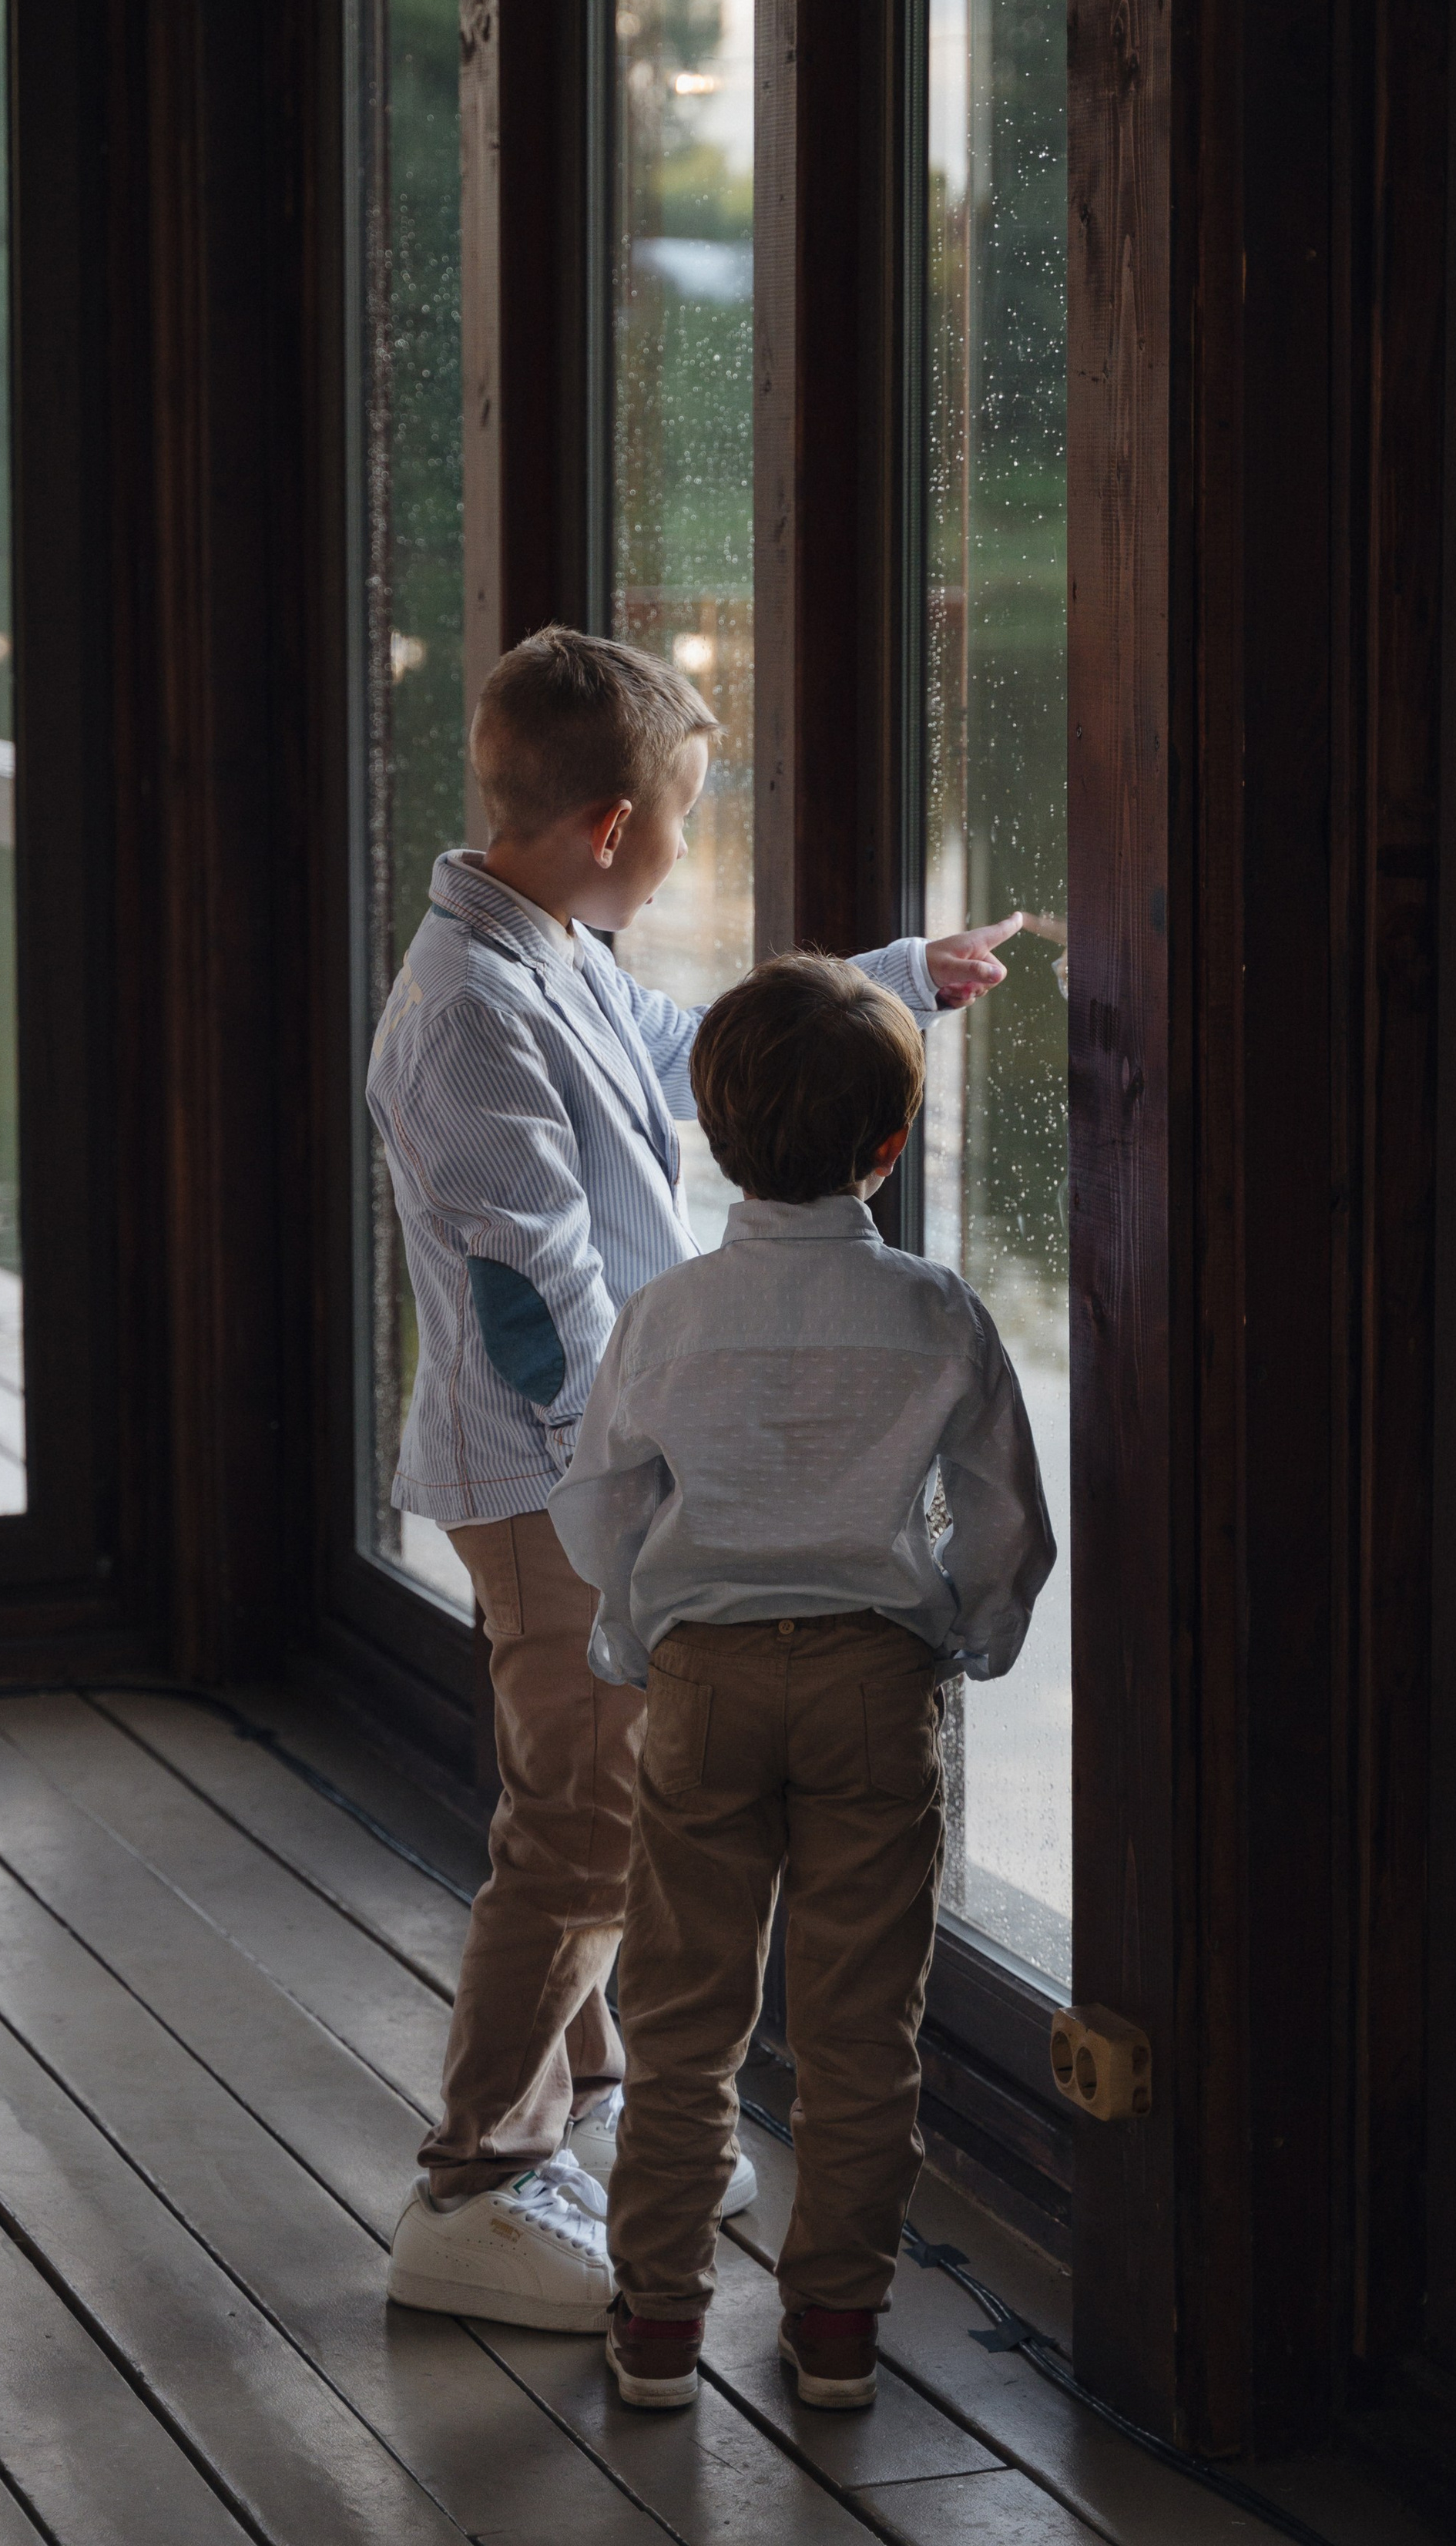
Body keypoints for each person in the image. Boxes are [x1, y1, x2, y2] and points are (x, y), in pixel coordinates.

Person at [371, 627, 1019, 2329]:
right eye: (679, 818)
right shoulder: (465, 1018)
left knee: (590, 1798)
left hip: (579, 1469)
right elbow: (536, 1311)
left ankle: (579, 2119)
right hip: (548, 1479)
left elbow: (681, 1055)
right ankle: (473, 2183)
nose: (681, 849)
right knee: (580, 1829)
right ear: (605, 827)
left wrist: (895, 976)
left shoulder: (552, 945)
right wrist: (666, 1463)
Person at [549, 952, 1055, 2411]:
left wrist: (637, 1635)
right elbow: (1008, 1519)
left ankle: (654, 2325)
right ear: (888, 1147)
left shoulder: (665, 1315)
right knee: (859, 2027)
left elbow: (600, 1504)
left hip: (704, 1682)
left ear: (711, 1134)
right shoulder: (937, 1311)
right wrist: (965, 1633)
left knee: (685, 2017)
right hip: (871, 1683)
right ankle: (835, 2331)